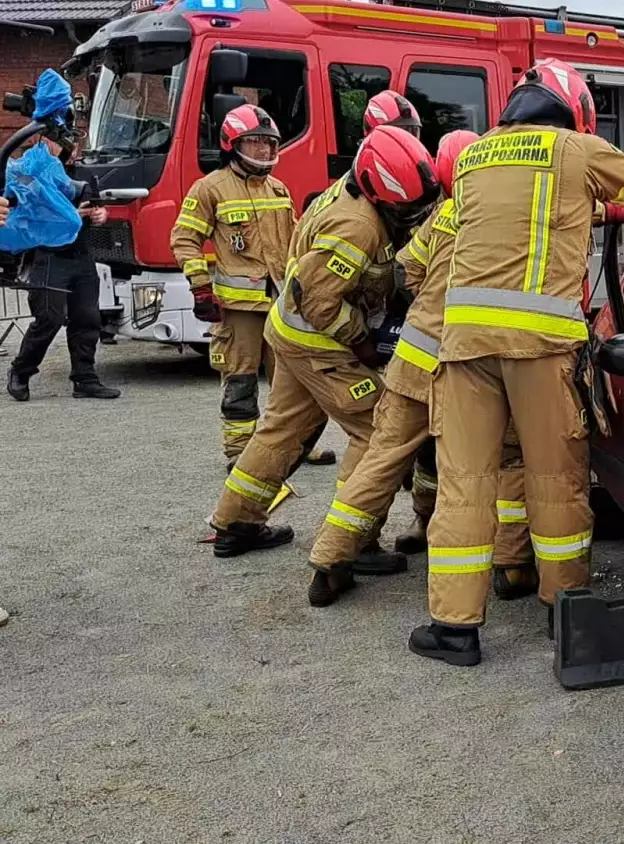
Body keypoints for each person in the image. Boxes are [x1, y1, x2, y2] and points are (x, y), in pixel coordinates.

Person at [412, 57, 624, 666]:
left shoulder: (477, 156)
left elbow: (535, 217)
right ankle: (564, 609)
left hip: (463, 348)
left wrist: (608, 213)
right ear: (573, 109)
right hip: (538, 347)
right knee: (554, 478)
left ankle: (453, 628)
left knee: (465, 484)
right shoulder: (574, 149)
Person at [205, 126, 439, 560]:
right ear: (378, 191)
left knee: (282, 429)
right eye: (404, 211)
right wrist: (364, 342)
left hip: (291, 333)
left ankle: (235, 522)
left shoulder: (352, 192)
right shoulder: (357, 225)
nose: (411, 218)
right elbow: (318, 300)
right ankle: (357, 541)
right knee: (377, 431)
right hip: (320, 341)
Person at [302, 129, 503, 606]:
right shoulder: (503, 215)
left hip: (412, 359)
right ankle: (503, 564)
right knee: (479, 465)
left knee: (381, 459)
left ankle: (330, 559)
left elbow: (407, 271)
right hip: (463, 363)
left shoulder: (445, 216)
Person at [172, 105, 309, 469]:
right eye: (255, 143)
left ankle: (290, 447)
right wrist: (201, 287)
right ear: (233, 144)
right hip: (239, 311)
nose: (264, 150)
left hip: (281, 304)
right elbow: (184, 239)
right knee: (241, 379)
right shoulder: (209, 188)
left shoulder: (277, 188)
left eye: (269, 143)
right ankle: (240, 452)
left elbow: (294, 242)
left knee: (290, 382)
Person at [6, 133, 119, 402]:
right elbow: (25, 210)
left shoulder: (80, 173)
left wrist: (100, 215)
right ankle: (21, 371)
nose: (59, 145)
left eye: (64, 140)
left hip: (80, 255)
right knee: (49, 318)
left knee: (87, 318)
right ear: (39, 140)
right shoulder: (26, 172)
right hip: (49, 256)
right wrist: (68, 216)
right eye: (52, 139)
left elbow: (97, 208)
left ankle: (85, 378)